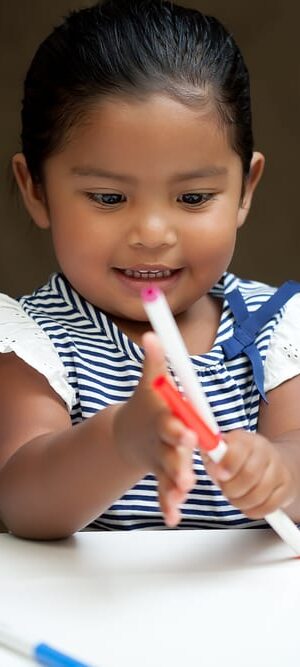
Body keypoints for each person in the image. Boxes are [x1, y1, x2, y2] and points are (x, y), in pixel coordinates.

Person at [1, 0, 300, 540]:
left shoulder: (275, 325)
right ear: (36, 190)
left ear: (244, 189)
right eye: (109, 197)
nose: (153, 234)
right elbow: (22, 501)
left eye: (193, 197)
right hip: (94, 620)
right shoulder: (33, 341)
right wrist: (121, 440)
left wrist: (280, 472)